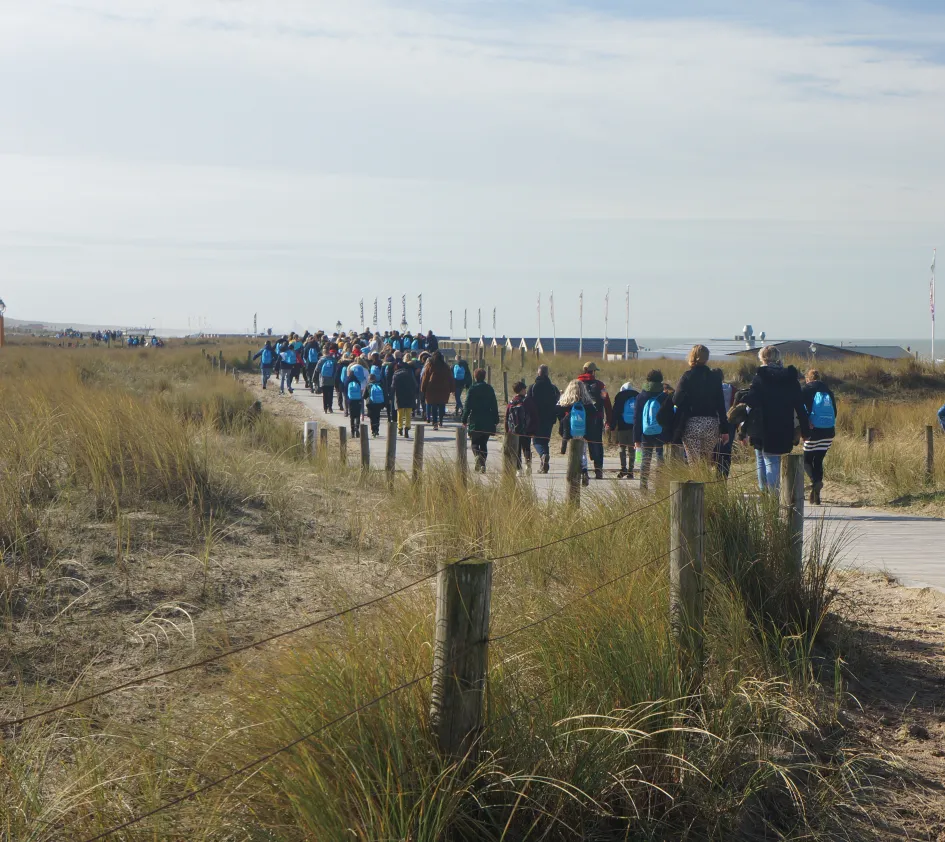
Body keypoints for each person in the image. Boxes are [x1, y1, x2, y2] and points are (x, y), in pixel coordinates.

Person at [743, 345, 811, 492]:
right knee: (773, 460)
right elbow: (800, 406)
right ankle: (772, 495)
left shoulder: (760, 377)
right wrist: (805, 431)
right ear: (778, 358)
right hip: (784, 426)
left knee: (764, 460)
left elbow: (751, 402)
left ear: (762, 358)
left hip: (762, 426)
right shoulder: (790, 378)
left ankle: (769, 497)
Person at [672, 345, 729, 465]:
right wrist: (725, 429)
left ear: (692, 357)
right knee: (706, 462)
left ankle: (696, 477)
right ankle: (705, 477)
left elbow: (676, 400)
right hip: (711, 423)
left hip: (692, 423)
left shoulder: (687, 376)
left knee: (694, 463)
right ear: (706, 358)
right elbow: (721, 404)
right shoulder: (715, 378)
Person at [801, 369, 837, 505]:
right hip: (828, 431)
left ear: (808, 379)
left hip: (813, 430)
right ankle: (816, 497)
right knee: (818, 460)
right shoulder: (828, 390)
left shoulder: (805, 390)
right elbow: (835, 411)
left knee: (806, 460)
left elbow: (800, 410)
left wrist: (805, 426)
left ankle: (815, 482)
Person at [634, 370, 671, 491]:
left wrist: (636, 439)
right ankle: (659, 487)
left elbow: (637, 419)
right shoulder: (665, 397)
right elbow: (669, 417)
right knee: (661, 459)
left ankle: (643, 486)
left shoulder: (640, 397)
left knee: (645, 459)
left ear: (647, 380)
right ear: (660, 381)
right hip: (662, 433)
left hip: (645, 433)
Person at [576, 362, 613, 479]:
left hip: (579, 419)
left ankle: (582, 470)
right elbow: (607, 403)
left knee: (580, 445)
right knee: (597, 444)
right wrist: (609, 420)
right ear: (593, 372)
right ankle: (598, 470)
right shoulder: (601, 385)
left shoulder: (576, 383)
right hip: (596, 420)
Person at [557, 379, 594, 486]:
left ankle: (573, 473)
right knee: (583, 452)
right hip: (583, 430)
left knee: (572, 451)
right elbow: (594, 414)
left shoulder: (565, 402)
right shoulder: (587, 403)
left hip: (569, 431)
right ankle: (584, 470)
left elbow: (557, 411)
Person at [462, 368, 499, 472]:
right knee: (483, 443)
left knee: (474, 442)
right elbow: (494, 405)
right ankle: (482, 464)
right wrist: (496, 419)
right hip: (487, 418)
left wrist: (464, 419)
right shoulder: (489, 388)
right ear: (484, 376)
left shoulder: (472, 389)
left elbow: (467, 406)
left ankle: (477, 456)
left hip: (475, 419)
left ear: (475, 377)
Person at [527, 364, 561, 474]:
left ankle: (543, 455)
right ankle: (544, 463)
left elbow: (528, 403)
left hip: (536, 418)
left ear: (538, 373)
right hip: (549, 418)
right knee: (545, 440)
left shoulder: (532, 387)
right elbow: (558, 402)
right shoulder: (553, 388)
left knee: (536, 441)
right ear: (547, 374)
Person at [506, 380, 538, 473]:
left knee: (517, 450)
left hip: (514, 431)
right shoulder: (527, 401)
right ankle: (528, 465)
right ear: (522, 390)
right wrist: (533, 430)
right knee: (526, 448)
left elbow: (507, 417)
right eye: (524, 389)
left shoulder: (512, 402)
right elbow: (534, 415)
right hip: (526, 430)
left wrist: (507, 430)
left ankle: (519, 469)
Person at [420, 350, 454, 430]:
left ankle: (435, 422)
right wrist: (452, 388)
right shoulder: (445, 366)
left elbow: (425, 377)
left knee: (433, 406)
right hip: (443, 388)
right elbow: (450, 378)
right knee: (442, 405)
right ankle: (441, 421)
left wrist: (423, 388)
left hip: (432, 388)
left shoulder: (430, 365)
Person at [612, 381, 639, 479]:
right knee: (632, 449)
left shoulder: (619, 396)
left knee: (621, 448)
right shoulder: (637, 396)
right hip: (634, 427)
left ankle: (623, 468)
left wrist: (612, 426)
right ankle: (631, 471)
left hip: (622, 427)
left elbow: (615, 412)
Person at [712, 368, 737, 478]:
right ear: (722, 377)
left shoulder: (709, 389)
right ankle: (722, 479)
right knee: (726, 452)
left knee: (712, 452)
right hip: (729, 423)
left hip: (713, 421)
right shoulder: (732, 389)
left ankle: (711, 479)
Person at [392, 362, 418, 438]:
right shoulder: (409, 374)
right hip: (409, 395)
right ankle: (407, 427)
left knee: (400, 413)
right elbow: (415, 384)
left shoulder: (396, 375)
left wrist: (391, 396)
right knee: (408, 413)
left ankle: (400, 427)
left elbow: (393, 386)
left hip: (399, 396)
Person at [344, 369, 365, 437]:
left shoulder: (347, 381)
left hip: (351, 400)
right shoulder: (357, 381)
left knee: (352, 417)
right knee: (357, 415)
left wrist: (347, 400)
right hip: (358, 400)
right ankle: (357, 427)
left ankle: (352, 432)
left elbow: (345, 392)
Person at [452, 353, 473, 417]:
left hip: (456, 383)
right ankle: (456, 410)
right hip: (462, 383)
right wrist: (467, 383)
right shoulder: (465, 365)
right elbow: (468, 375)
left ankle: (461, 408)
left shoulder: (454, 365)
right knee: (458, 396)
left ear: (456, 359)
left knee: (457, 397)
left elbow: (451, 374)